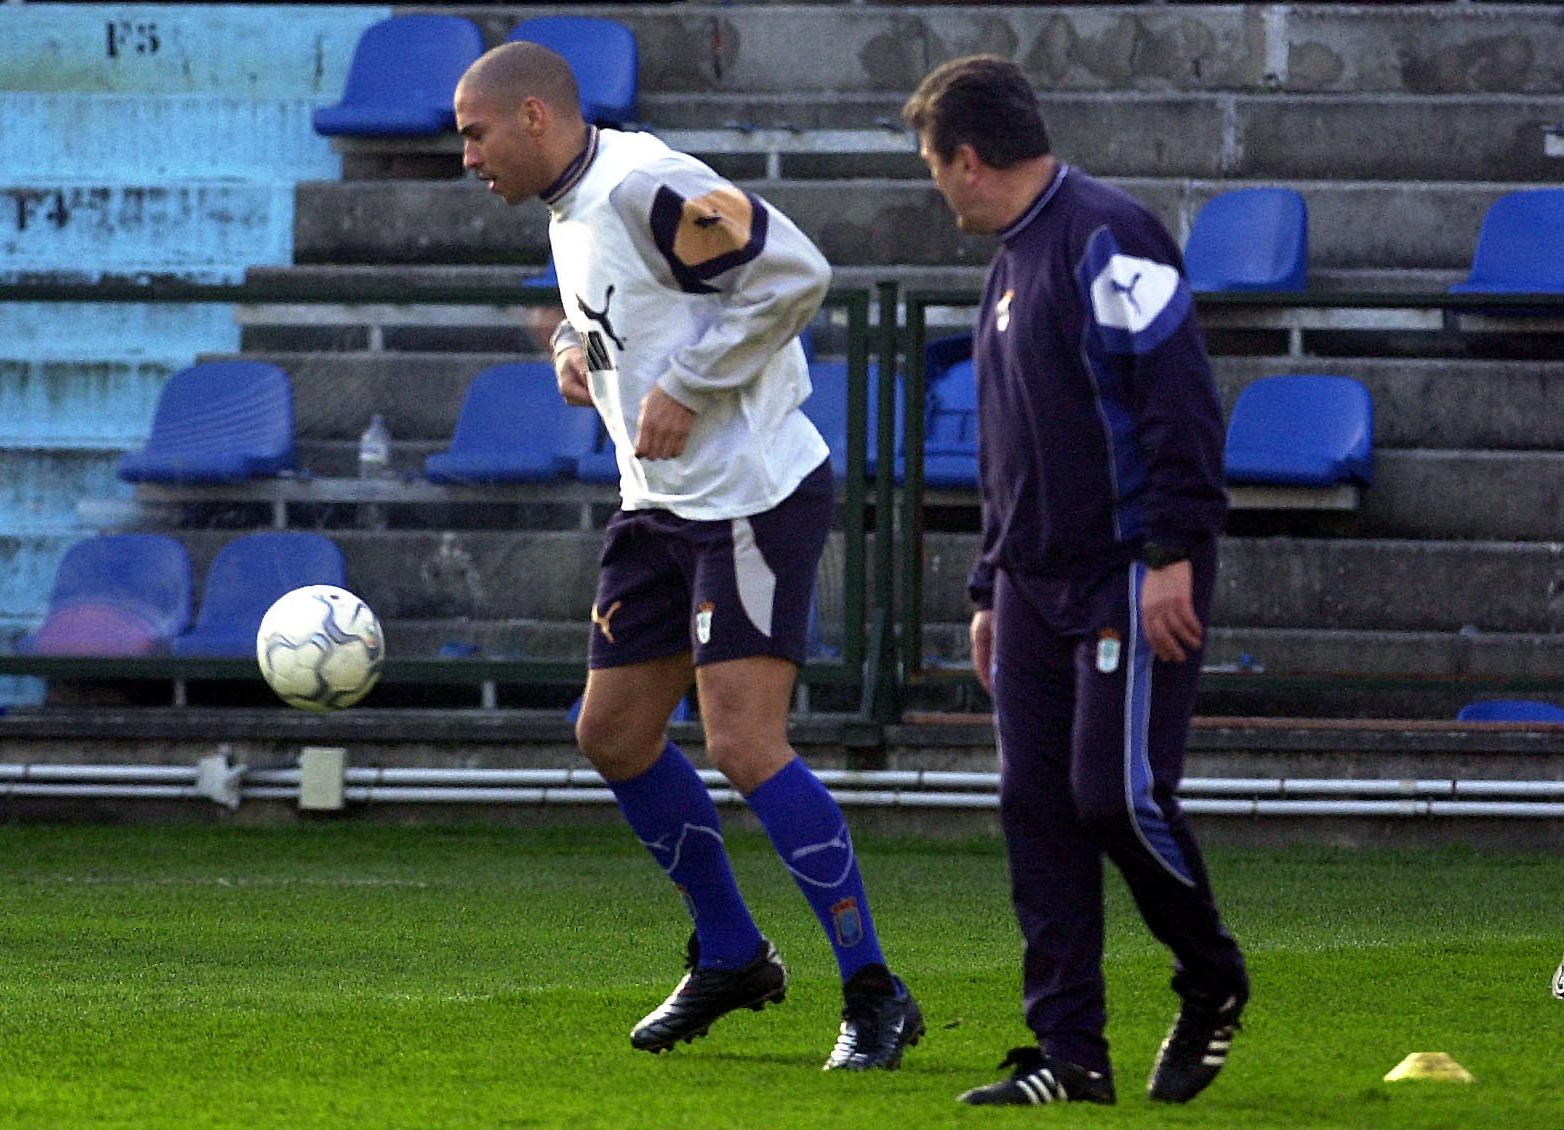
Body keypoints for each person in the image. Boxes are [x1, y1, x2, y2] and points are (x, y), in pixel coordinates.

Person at [454, 41, 923, 1071]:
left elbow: (797, 270)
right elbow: (629, 321)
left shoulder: (643, 183)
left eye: (474, 133)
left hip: (751, 498)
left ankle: (876, 989)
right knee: (614, 733)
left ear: (534, 116)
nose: (466, 157)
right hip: (657, 506)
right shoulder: (574, 210)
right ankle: (731, 951)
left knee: (744, 741)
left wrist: (691, 387)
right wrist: (573, 354)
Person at [902, 55, 1249, 1106]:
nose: (934, 183)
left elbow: (1177, 396)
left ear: (966, 160)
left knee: (1118, 794)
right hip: (1030, 585)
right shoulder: (1012, 259)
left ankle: (1212, 978)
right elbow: (1018, 443)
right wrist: (983, 584)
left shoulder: (1108, 232)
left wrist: (1169, 551)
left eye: (930, 163)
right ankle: (1070, 1052)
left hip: (1120, 575)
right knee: (1035, 806)